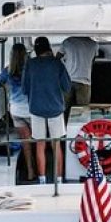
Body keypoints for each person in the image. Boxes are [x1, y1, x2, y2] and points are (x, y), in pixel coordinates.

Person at [22, 36, 71, 184]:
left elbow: (24, 89)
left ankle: (42, 180)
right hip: (55, 109)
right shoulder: (57, 64)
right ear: (49, 48)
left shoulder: (30, 64)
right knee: (56, 145)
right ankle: (59, 180)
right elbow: (67, 87)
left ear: (36, 50)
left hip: (36, 109)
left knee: (40, 145)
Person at [0, 43, 36, 181]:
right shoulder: (31, 69)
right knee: (39, 140)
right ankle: (40, 168)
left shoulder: (7, 71)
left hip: (16, 111)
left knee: (25, 142)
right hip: (32, 110)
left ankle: (30, 171)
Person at [58, 36, 99, 121]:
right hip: (85, 81)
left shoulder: (67, 41)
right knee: (83, 112)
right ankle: (80, 130)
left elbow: (57, 58)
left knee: (65, 110)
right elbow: (93, 61)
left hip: (68, 80)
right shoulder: (94, 44)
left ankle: (66, 129)